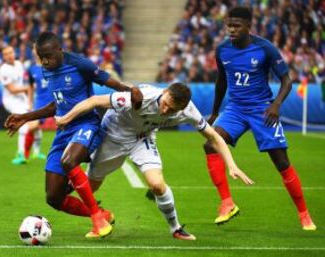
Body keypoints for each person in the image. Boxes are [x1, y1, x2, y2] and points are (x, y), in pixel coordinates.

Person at [55, 82, 254, 240]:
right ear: (165, 92)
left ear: (182, 108)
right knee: (90, 188)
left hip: (143, 138)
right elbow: (94, 100)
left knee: (157, 185)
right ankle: (102, 215)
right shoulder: (141, 96)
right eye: (165, 103)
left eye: (171, 109)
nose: (165, 110)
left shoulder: (187, 110)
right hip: (113, 136)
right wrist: (65, 119)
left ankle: (176, 229)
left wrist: (232, 164)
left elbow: (213, 136)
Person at [4, 31, 143, 238]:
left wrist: (130, 90)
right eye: (42, 58)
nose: (46, 61)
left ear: (60, 50)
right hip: (63, 131)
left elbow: (107, 81)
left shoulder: (79, 63)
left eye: (49, 56)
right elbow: (57, 105)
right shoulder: (46, 70)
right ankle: (103, 214)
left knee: (68, 161)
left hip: (87, 124)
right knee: (53, 197)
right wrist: (26, 117)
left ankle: (97, 220)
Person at [203, 6, 316, 230]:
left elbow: (286, 80)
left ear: (248, 26)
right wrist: (215, 111)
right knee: (211, 144)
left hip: (262, 109)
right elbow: (222, 81)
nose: (231, 30)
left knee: (281, 162)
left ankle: (304, 214)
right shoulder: (222, 50)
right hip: (235, 109)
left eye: (237, 25)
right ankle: (227, 203)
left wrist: (276, 104)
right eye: (229, 25)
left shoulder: (265, 48)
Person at [0, 46, 32, 164]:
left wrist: (28, 94)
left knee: (34, 123)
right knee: (23, 123)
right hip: (10, 100)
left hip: (22, 98)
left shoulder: (19, 64)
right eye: (6, 54)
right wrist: (28, 89)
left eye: (11, 52)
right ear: (4, 57)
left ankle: (37, 152)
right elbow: (12, 89)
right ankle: (20, 153)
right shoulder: (3, 69)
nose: (10, 55)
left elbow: (24, 81)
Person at [25, 49, 53, 160]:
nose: (36, 51)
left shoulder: (52, 65)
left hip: (55, 99)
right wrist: (30, 102)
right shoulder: (31, 69)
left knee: (67, 126)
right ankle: (25, 154)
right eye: (34, 49)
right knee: (32, 127)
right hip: (40, 101)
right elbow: (30, 87)